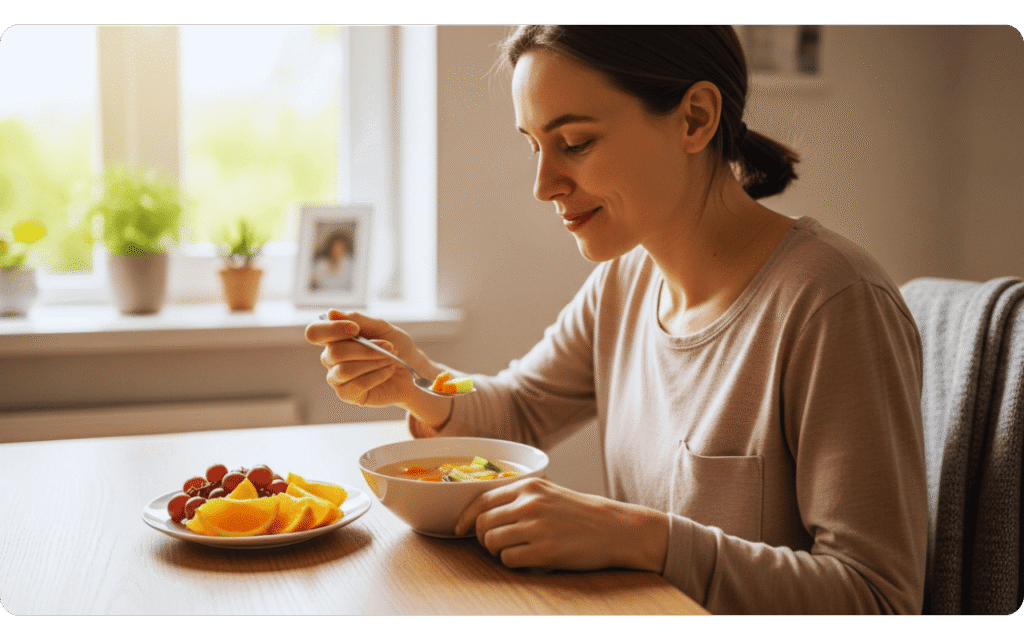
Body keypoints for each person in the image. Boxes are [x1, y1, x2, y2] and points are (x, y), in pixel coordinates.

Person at [305, 25, 928, 615]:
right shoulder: (625, 281)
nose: (544, 184)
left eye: (574, 143)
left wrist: (640, 538)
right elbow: (521, 411)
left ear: (696, 119)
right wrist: (417, 386)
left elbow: (877, 600)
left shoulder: (832, 302)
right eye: (534, 146)